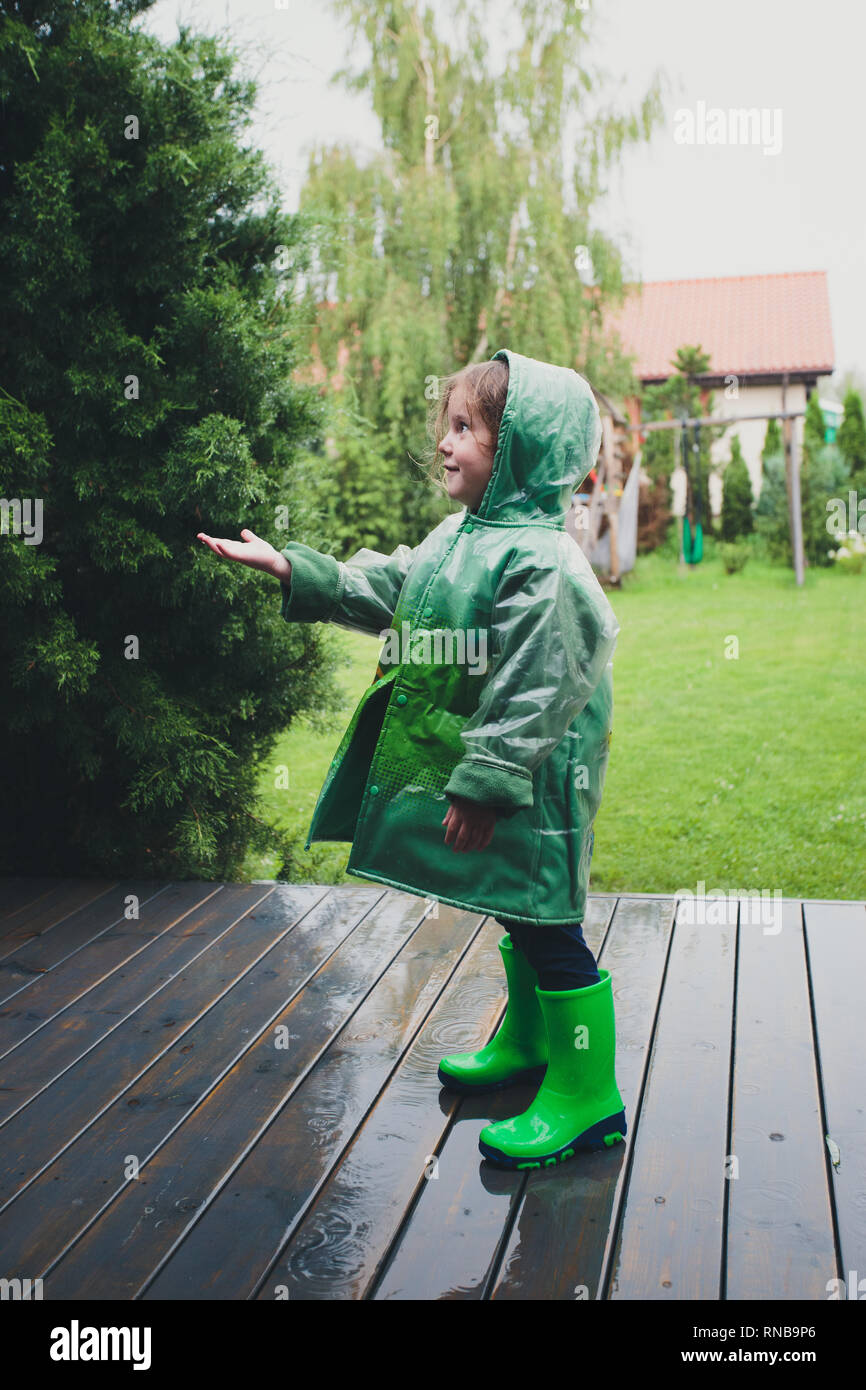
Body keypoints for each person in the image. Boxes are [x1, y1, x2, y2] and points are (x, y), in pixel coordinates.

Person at [197, 347, 626, 1170]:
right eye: (449, 424)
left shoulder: (543, 563)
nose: (446, 442)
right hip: (503, 773)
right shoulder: (461, 536)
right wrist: (297, 568)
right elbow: (400, 589)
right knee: (516, 907)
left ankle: (587, 1094)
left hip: (536, 779)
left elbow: (542, 683)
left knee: (548, 919)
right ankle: (533, 1045)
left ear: (524, 451)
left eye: (468, 428)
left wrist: (488, 781)